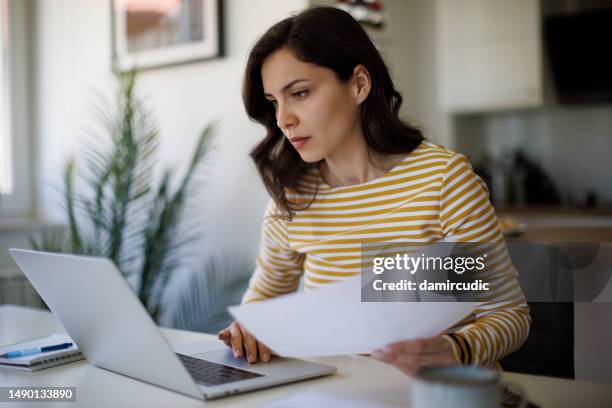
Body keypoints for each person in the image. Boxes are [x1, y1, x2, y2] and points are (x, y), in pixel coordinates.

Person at [218, 6, 531, 376]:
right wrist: (247, 331)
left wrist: (455, 348)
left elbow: (508, 315)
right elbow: (261, 307)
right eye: (274, 102)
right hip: (337, 396)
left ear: (359, 84)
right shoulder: (293, 198)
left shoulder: (443, 181)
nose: (284, 119)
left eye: (299, 93)